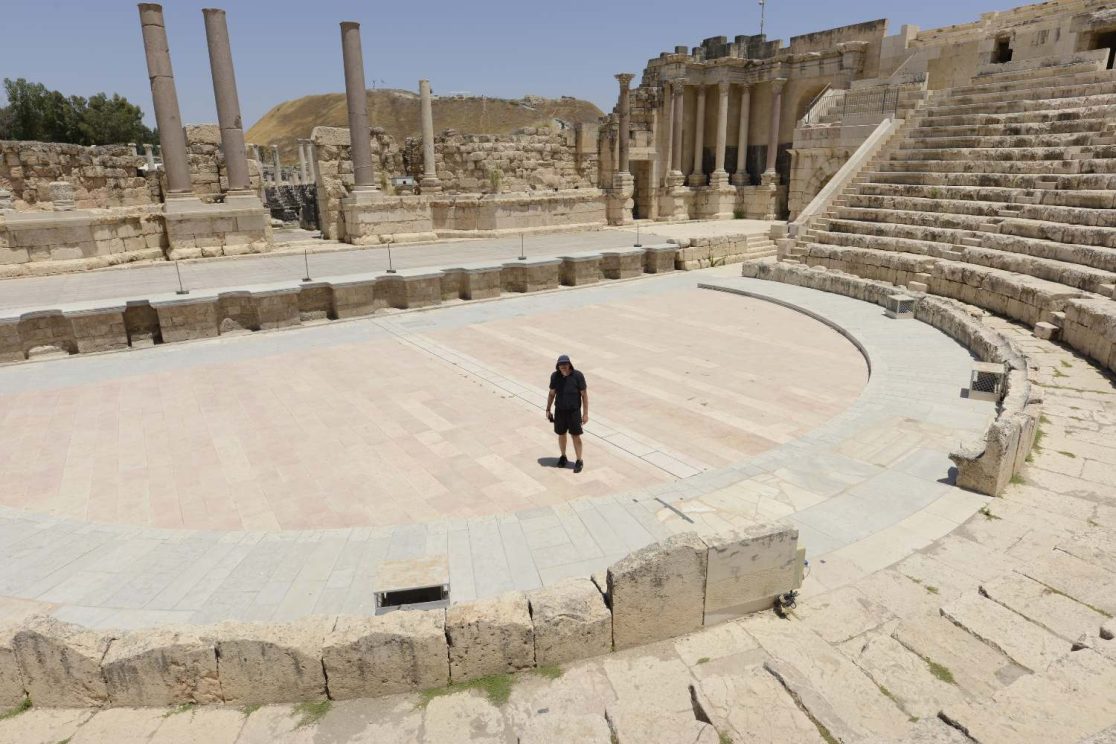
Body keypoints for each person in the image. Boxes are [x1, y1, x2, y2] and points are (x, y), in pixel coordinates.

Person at [545, 354, 588, 473]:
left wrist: (585, 414)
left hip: (574, 412)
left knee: (575, 436)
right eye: (561, 365)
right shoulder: (555, 376)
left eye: (565, 364)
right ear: (557, 366)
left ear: (569, 364)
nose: (563, 367)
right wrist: (548, 409)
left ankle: (579, 460)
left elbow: (584, 395)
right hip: (560, 411)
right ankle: (563, 456)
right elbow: (552, 393)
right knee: (561, 434)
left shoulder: (578, 376)